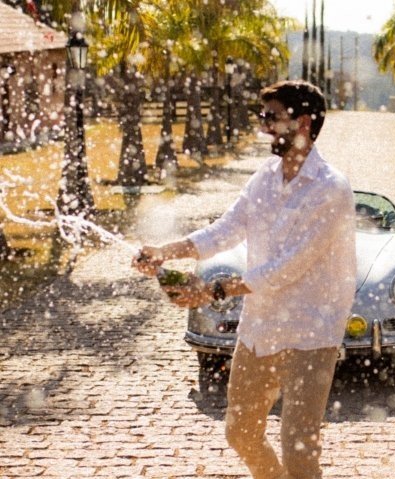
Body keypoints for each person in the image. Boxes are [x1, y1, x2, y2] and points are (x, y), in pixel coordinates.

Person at [132, 80, 356, 479]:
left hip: (311, 333)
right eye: (262, 116)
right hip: (260, 327)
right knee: (240, 434)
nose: (264, 125)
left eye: (272, 117)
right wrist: (165, 251)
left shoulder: (331, 188)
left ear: (303, 123)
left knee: (299, 451)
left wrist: (212, 291)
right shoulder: (264, 177)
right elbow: (225, 229)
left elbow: (288, 268)